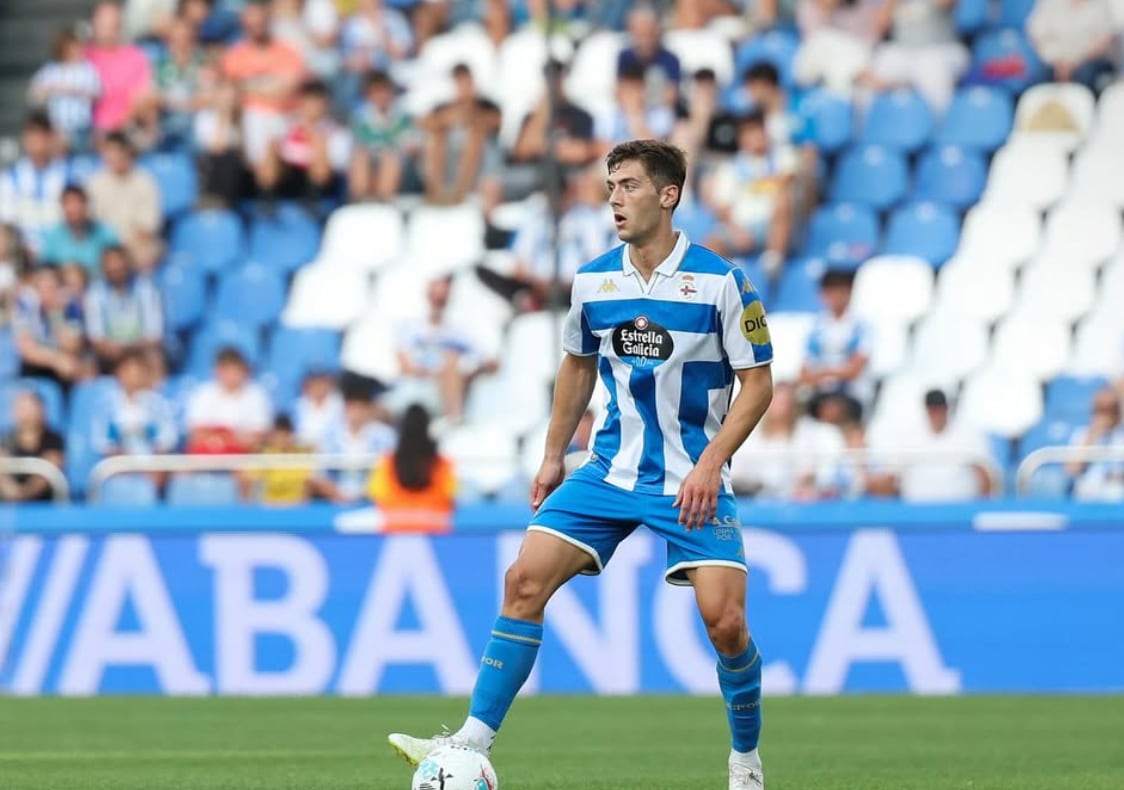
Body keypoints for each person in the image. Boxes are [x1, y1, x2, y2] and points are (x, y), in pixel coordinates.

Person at [389, 139, 775, 790]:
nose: (614, 198)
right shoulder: (594, 280)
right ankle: (471, 741)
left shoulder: (722, 282)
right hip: (608, 471)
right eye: (611, 186)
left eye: (629, 186)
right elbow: (577, 366)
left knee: (727, 624)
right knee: (523, 581)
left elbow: (758, 384)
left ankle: (745, 764)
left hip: (691, 477)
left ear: (668, 195)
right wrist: (551, 456)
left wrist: (712, 463)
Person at [703, 110, 797, 276]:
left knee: (784, 199)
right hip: (743, 227)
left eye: (758, 130)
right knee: (711, 244)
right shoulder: (730, 168)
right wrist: (737, 231)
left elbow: (789, 178)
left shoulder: (782, 156)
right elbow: (723, 207)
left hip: (773, 225)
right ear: (741, 138)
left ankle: (773, 263)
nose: (755, 137)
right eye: (749, 132)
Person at [389, 275, 495, 421]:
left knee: (451, 361)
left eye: (443, 295)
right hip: (414, 391)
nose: (439, 298)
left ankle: (453, 418)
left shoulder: (458, 333)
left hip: (446, 388)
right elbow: (405, 366)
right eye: (436, 293)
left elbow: (485, 361)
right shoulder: (409, 328)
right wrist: (438, 369)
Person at [221, 0, 306, 167]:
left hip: (285, 114)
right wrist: (268, 85)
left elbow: (287, 88)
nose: (257, 27)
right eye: (252, 24)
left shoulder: (287, 52)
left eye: (261, 22)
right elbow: (229, 89)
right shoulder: (235, 55)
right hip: (251, 115)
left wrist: (246, 85)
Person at [870, 389, 994, 502]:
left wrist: (979, 508)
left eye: (940, 409)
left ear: (946, 409)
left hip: (961, 510)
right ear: (927, 411)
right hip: (917, 511)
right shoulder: (908, 436)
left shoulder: (968, 434)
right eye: (932, 410)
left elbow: (986, 477)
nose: (936, 415)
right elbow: (891, 478)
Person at [730, 381, 845, 500]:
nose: (779, 407)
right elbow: (737, 471)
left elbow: (807, 472)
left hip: (791, 498)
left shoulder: (805, 434)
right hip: (751, 497)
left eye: (784, 402)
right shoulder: (750, 432)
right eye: (775, 401)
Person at [256, 79, 351, 212]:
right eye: (308, 101)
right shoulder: (285, 125)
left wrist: (313, 139)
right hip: (288, 177)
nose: (312, 107)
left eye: (317, 102)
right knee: (270, 148)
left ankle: (312, 203)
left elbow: (336, 166)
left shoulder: (335, 131)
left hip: (320, 183)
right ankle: (266, 200)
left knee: (320, 148)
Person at [367, 404, 456, 533]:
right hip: (434, 528)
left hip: (396, 528)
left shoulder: (387, 463)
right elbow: (451, 494)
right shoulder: (442, 463)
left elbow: (377, 493)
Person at [798, 268, 871, 424]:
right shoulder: (817, 326)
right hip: (821, 393)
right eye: (829, 292)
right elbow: (804, 373)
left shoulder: (860, 325)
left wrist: (823, 374)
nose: (834, 297)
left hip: (851, 394)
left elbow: (854, 370)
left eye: (838, 291)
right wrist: (826, 376)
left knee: (831, 407)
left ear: (848, 292)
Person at [84, 245, 164, 373]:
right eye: (109, 264)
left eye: (118, 262)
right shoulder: (95, 292)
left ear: (127, 263)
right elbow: (96, 337)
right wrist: (113, 350)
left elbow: (153, 334)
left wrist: (129, 349)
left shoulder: (145, 288)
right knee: (88, 365)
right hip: (109, 354)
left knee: (155, 359)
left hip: (140, 350)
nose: (114, 268)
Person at [86, 132, 162, 261]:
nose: (115, 156)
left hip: (135, 244)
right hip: (103, 246)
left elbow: (147, 226)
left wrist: (123, 248)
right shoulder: (94, 183)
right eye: (110, 151)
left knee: (147, 253)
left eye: (119, 151)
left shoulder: (144, 181)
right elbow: (90, 222)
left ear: (128, 152)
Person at [0, 114, 69, 256]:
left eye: (41, 135)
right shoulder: (11, 177)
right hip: (20, 253)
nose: (37, 141)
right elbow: (6, 219)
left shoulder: (66, 175)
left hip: (58, 254)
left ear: (51, 138)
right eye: (32, 135)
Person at [310, 390, 396, 503]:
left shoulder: (385, 435)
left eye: (361, 408)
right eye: (352, 407)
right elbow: (319, 474)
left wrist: (366, 493)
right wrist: (336, 494)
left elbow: (390, 471)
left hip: (373, 499)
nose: (356, 413)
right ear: (345, 408)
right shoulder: (329, 435)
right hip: (334, 499)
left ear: (370, 409)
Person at [90, 348, 178, 458]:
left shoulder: (158, 404)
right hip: (118, 465)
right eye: (128, 371)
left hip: (152, 465)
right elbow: (101, 441)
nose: (133, 376)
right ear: (118, 373)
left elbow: (167, 438)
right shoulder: (107, 405)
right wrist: (120, 455)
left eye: (138, 372)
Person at [185, 347, 272, 454]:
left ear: (245, 371)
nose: (231, 376)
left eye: (235, 371)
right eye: (226, 371)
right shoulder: (204, 393)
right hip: (208, 455)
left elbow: (259, 437)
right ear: (217, 371)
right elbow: (196, 434)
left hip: (244, 457)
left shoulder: (256, 395)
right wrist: (230, 438)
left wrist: (223, 439)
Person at [348, 71, 419, 202]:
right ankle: (361, 200)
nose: (380, 96)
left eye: (383, 91)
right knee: (360, 158)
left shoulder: (404, 118)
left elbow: (411, 147)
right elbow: (359, 146)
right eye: (375, 92)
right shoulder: (361, 119)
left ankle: (383, 202)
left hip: (401, 169)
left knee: (389, 157)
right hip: (371, 164)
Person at [28, 29, 102, 153]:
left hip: (81, 126)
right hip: (58, 127)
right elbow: (35, 93)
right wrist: (50, 90)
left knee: (81, 157)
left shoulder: (86, 69)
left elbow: (96, 93)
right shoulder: (51, 70)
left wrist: (72, 90)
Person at [86, 0, 152, 134]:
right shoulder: (82, 57)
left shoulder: (135, 56)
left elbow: (142, 98)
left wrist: (116, 129)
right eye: (104, 24)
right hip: (87, 131)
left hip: (125, 131)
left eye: (113, 24)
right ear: (93, 24)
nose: (109, 29)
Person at [13, 265, 85, 388]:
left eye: (50, 288)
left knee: (76, 370)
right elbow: (27, 350)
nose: (45, 293)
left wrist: (56, 315)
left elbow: (72, 346)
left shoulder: (71, 305)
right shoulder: (25, 303)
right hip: (34, 368)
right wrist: (55, 359)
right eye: (41, 288)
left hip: (63, 367)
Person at [1027, 0, 1116, 87]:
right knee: (1038, 77)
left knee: (1086, 76)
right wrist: (1059, 60)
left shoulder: (1100, 4)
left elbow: (1104, 40)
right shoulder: (1049, 3)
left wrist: (1073, 62)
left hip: (1087, 61)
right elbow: (1038, 34)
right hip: (1053, 61)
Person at [0, 391, 65, 503]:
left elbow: (51, 469)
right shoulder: (6, 440)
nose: (26, 414)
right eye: (22, 408)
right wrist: (12, 492)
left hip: (43, 504)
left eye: (30, 408)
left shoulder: (53, 440)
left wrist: (24, 494)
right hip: (9, 504)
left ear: (42, 410)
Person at [39, 185, 118, 274]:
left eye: (77, 202)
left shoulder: (103, 232)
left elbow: (117, 260)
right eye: (68, 203)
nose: (73, 208)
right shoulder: (54, 236)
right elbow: (46, 269)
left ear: (86, 204)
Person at [241, 414, 315, 505]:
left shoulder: (300, 455)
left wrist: (302, 509)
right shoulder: (267, 454)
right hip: (270, 506)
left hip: (295, 506)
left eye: (285, 435)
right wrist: (248, 506)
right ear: (274, 436)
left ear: (291, 435)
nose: (282, 439)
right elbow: (246, 477)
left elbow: (308, 481)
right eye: (279, 435)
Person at [1066, 388, 1124, 501]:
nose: (1105, 415)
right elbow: (1072, 469)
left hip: (1117, 494)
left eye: (1110, 409)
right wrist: (1091, 437)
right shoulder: (1081, 434)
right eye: (1100, 409)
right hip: (1087, 494)